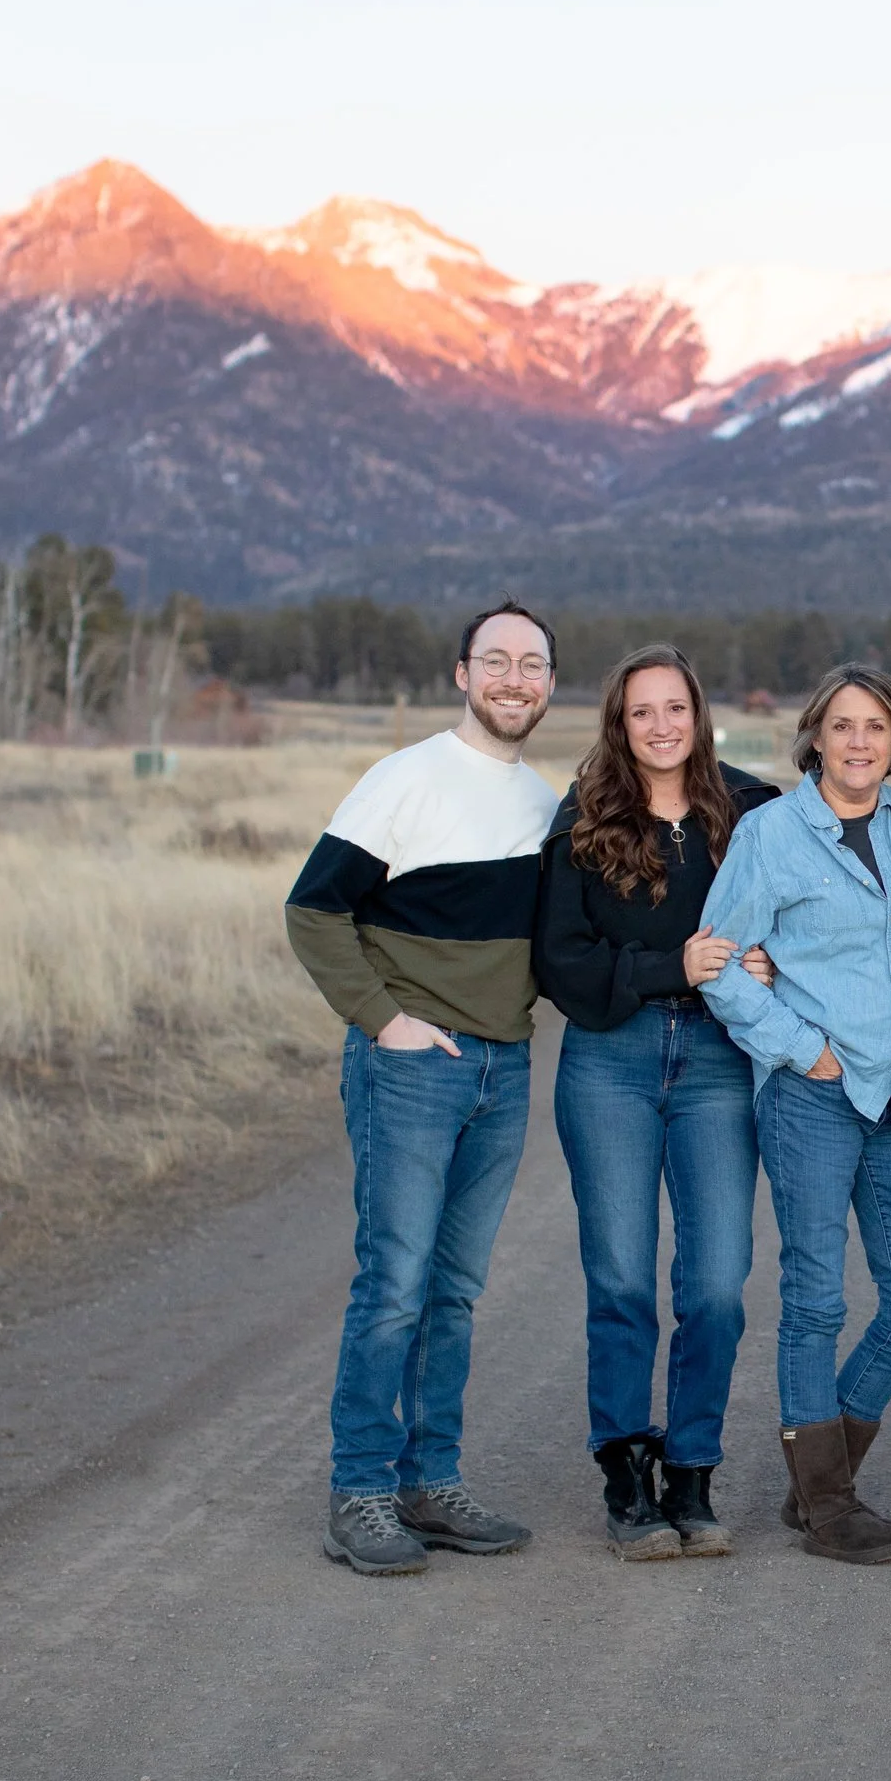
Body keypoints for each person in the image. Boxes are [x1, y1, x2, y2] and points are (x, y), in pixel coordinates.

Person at [286, 599, 560, 1576]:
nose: (514, 678)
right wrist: (384, 1021)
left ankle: (428, 1482)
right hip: (412, 1066)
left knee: (453, 1289)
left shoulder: (545, 805)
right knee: (394, 1283)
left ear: (550, 685)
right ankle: (359, 1490)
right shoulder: (402, 780)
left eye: (532, 664)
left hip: (505, 1065)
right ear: (461, 673)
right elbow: (314, 908)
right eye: (496, 659)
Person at [534, 645, 782, 1560]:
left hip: (719, 1056)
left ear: (700, 713)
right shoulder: (585, 820)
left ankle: (693, 1473)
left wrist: (774, 960)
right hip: (612, 1057)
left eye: (675, 707)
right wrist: (662, 967)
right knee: (623, 1281)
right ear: (620, 723)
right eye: (643, 712)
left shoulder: (752, 809)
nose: (662, 726)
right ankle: (625, 1475)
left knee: (716, 1283)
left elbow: (811, 897)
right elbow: (559, 960)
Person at [696, 664, 891, 1565]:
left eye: (877, 727)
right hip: (813, 1093)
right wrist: (803, 1048)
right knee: (814, 1299)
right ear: (815, 737)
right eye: (843, 726)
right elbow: (718, 958)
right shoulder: (771, 833)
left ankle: (815, 1474)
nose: (860, 743)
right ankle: (830, 1503)